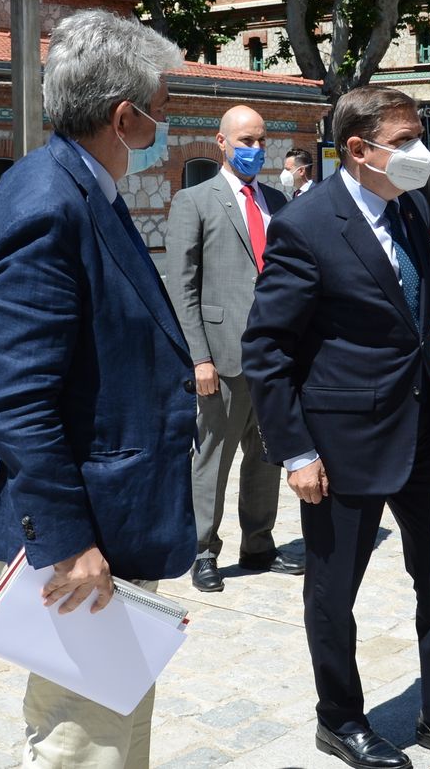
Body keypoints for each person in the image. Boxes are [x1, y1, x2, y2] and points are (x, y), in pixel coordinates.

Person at [243, 85, 430, 769]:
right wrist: (295, 449)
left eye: (423, 136)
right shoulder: (306, 224)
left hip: (421, 430)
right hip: (339, 444)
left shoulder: (411, 208)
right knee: (334, 592)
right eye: (407, 139)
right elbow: (267, 349)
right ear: (358, 150)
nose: (422, 152)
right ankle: (341, 718)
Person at [0, 9, 196, 769]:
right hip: (80, 532)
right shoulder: (48, 201)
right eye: (160, 111)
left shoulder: (82, 185)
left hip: (113, 514)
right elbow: (19, 401)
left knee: (116, 724)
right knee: (81, 740)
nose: (165, 126)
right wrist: (67, 545)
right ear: (125, 117)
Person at [164, 105, 303, 593]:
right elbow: (183, 287)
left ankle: (259, 543)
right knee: (212, 459)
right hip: (220, 359)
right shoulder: (194, 200)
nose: (255, 150)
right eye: (245, 141)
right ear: (221, 142)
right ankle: (202, 550)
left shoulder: (278, 203)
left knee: (267, 456)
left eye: (262, 141)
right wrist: (198, 357)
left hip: (273, 359)